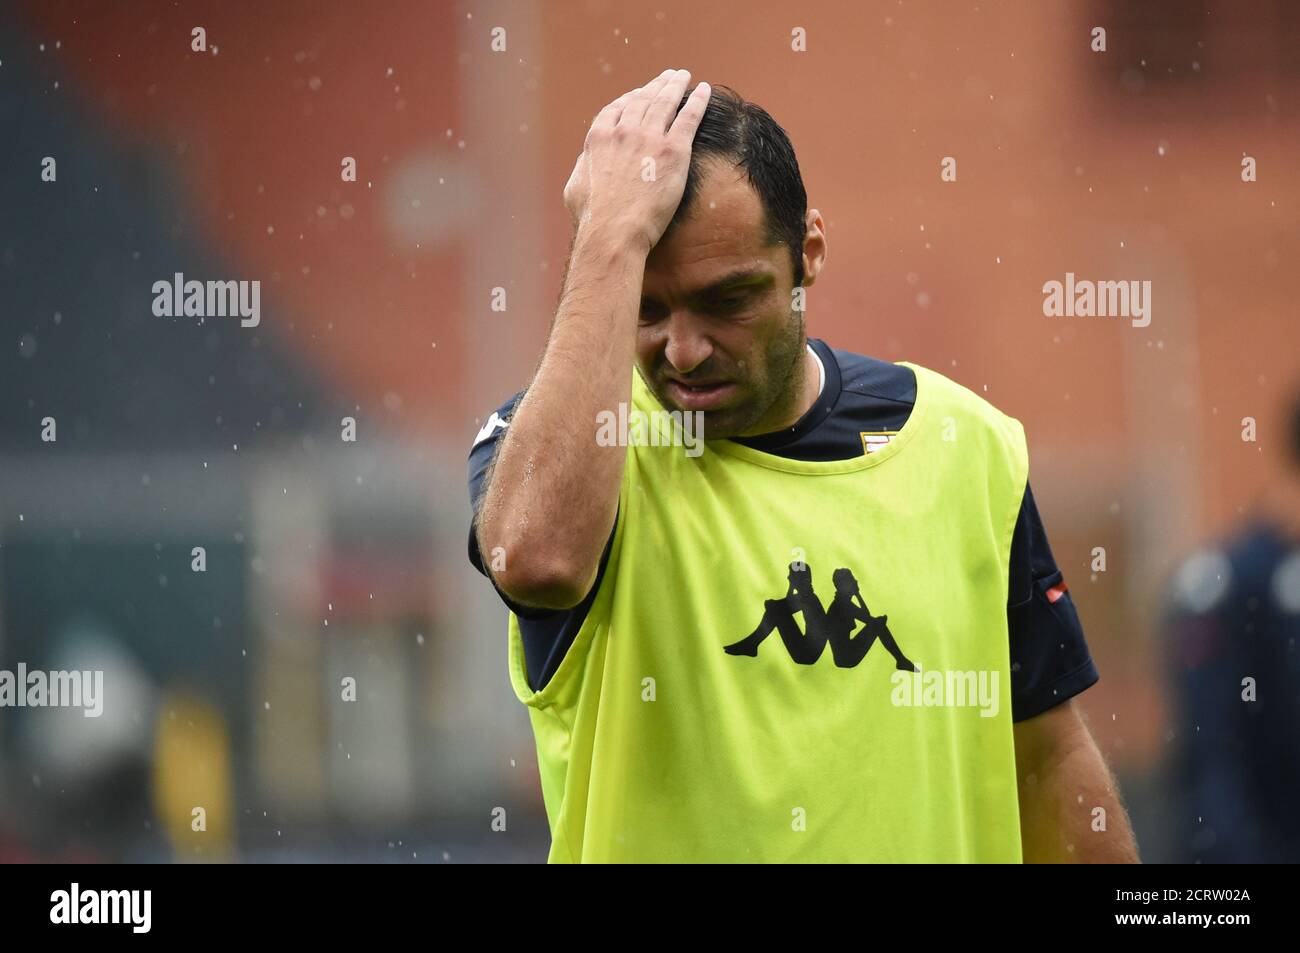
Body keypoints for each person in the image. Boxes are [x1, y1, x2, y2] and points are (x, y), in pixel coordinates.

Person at [468, 69, 1138, 862]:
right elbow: (539, 558)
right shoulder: (564, 448)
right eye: (647, 306)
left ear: (809, 254)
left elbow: (1046, 754)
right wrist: (609, 239)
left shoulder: (966, 444)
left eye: (728, 300)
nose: (682, 349)